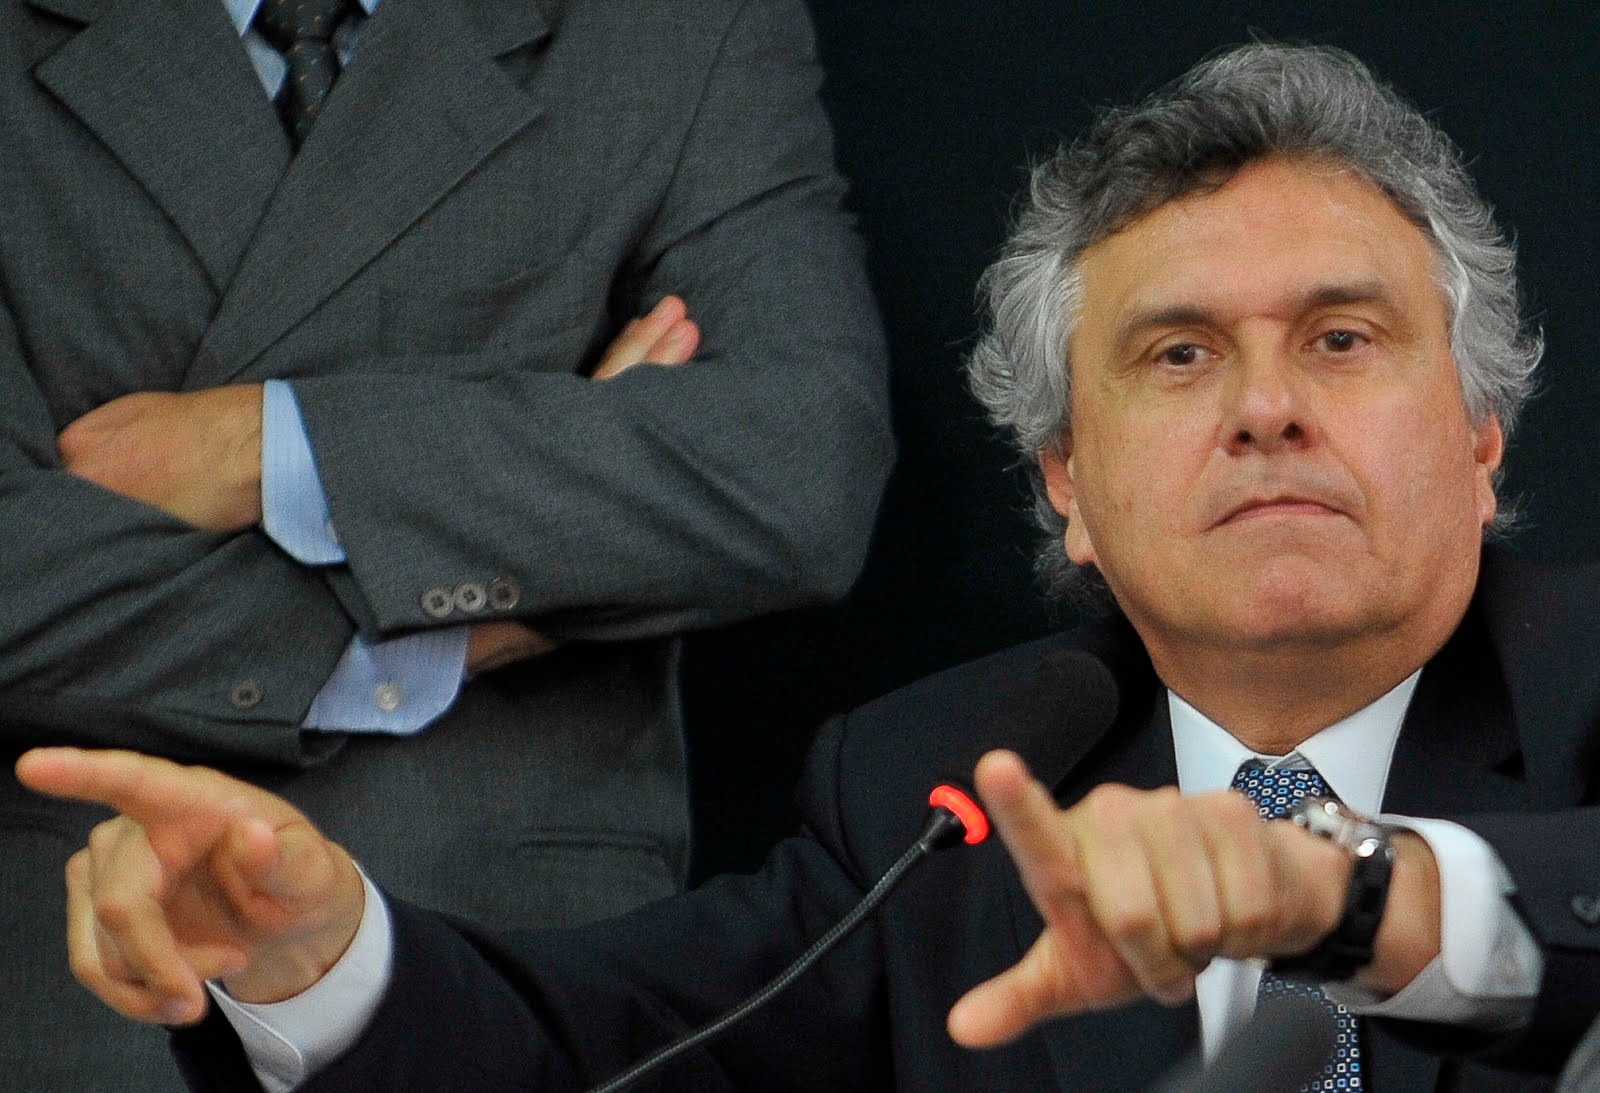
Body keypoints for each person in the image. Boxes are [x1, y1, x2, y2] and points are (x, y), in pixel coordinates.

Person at [19, 41, 1600, 1091]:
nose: (1265, 408)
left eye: (1342, 339)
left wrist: (1353, 898)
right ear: (1069, 488)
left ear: (1483, 436)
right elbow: (605, 1047)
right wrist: (313, 956)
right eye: (1178, 356)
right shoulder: (942, 789)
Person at [0, 0, 892, 1088]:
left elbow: (797, 464)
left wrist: (262, 444)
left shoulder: (673, 29)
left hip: (520, 959)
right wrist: (473, 613)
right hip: (77, 957)